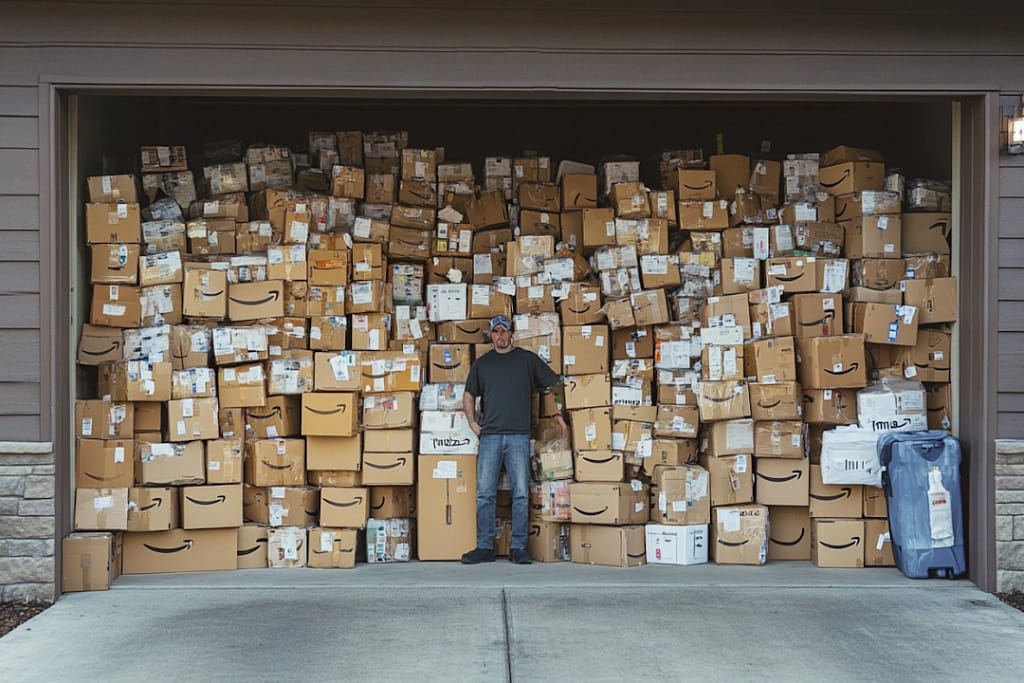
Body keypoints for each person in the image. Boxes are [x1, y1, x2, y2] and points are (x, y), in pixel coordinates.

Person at [461, 315, 566, 565]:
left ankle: (518, 547)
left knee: (520, 494)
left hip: (519, 436)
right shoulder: (482, 364)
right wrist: (473, 423)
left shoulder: (527, 360)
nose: (500, 335)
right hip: (490, 437)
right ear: (491, 335)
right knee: (485, 494)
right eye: (495, 331)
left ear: (511, 334)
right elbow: (468, 394)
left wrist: (558, 415)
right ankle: (484, 546)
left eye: (504, 331)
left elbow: (555, 384)